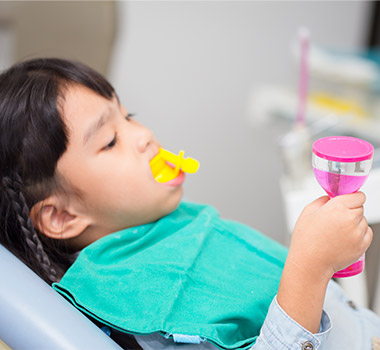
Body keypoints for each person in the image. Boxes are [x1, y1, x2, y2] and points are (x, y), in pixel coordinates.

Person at [0, 58, 379, 350]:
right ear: (62, 215)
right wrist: (310, 267)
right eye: (110, 141)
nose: (145, 135)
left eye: (129, 116)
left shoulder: (165, 227)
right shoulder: (142, 305)